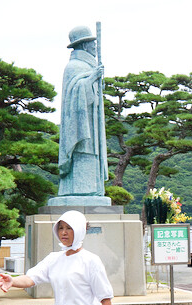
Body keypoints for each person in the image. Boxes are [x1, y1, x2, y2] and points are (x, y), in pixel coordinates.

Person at [57, 26, 108, 197]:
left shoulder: (88, 66)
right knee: (82, 153)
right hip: (80, 127)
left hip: (92, 124)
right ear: (84, 45)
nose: (95, 47)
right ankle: (78, 191)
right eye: (92, 43)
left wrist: (96, 78)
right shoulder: (74, 66)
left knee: (91, 156)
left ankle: (93, 190)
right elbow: (74, 95)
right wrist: (92, 77)